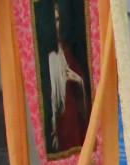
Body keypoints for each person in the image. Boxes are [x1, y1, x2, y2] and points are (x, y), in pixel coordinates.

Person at [47, 0, 89, 152]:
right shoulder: (52, 57)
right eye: (54, 20)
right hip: (62, 122)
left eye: (58, 20)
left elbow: (84, 106)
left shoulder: (70, 54)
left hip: (75, 123)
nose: (57, 25)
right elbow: (53, 99)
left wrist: (79, 81)